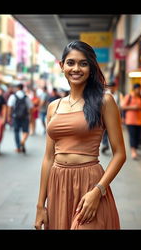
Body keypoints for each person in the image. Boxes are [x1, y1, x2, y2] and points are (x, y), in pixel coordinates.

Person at [34, 40, 126, 230]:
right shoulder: (54, 106)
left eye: (83, 63)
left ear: (91, 68)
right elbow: (48, 158)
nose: (76, 68)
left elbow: (119, 154)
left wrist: (98, 191)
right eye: (71, 63)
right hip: (58, 183)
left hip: (90, 183)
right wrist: (40, 205)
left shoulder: (104, 101)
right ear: (62, 66)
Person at [120, 83, 141, 160]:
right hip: (130, 120)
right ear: (134, 89)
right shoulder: (129, 96)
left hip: (139, 121)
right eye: (138, 89)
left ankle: (135, 149)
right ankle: (133, 151)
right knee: (132, 136)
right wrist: (133, 107)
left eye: (140, 89)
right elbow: (123, 106)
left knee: (138, 137)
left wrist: (139, 107)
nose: (139, 90)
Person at [7, 83, 33, 153]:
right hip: (25, 116)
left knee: (16, 131)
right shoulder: (26, 97)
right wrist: (30, 116)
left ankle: (18, 147)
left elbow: (10, 106)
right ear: (22, 88)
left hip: (16, 117)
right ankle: (23, 141)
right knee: (25, 131)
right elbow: (30, 107)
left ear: (17, 88)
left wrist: (9, 116)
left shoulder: (13, 96)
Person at [102, 82, 123, 154]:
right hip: (105, 115)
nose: (111, 88)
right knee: (104, 131)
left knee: (113, 131)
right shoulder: (105, 95)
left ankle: (115, 147)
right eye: (110, 87)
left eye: (112, 87)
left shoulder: (119, 95)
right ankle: (105, 144)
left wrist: (121, 117)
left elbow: (121, 106)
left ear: (115, 87)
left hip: (115, 116)